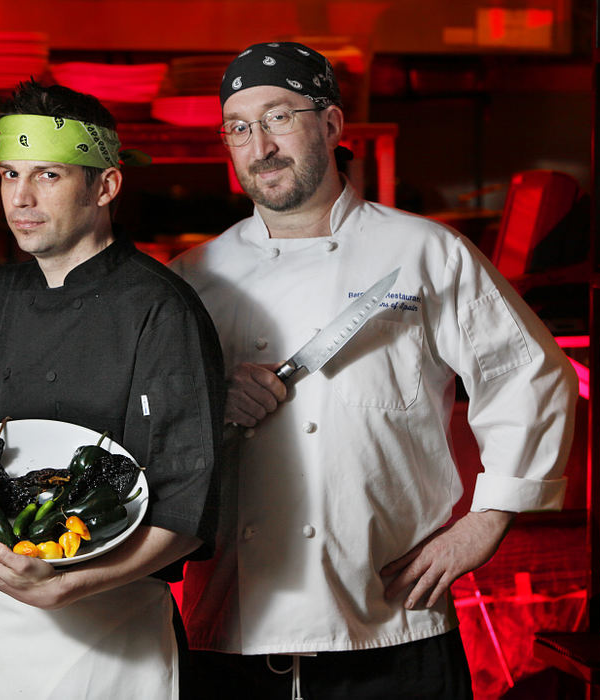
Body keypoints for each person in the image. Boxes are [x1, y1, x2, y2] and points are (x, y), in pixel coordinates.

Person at [169, 42, 579, 699]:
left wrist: (490, 516)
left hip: (394, 624)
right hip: (231, 629)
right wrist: (209, 401)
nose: (260, 145)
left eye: (278, 117)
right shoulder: (193, 278)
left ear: (332, 125)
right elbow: (139, 431)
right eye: (239, 128)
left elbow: (528, 374)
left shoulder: (423, 252)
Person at [0, 80, 225, 699]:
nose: (22, 199)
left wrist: (69, 586)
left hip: (105, 630)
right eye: (10, 176)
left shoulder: (161, 310)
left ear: (106, 185)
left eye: (48, 176)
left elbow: (186, 506)